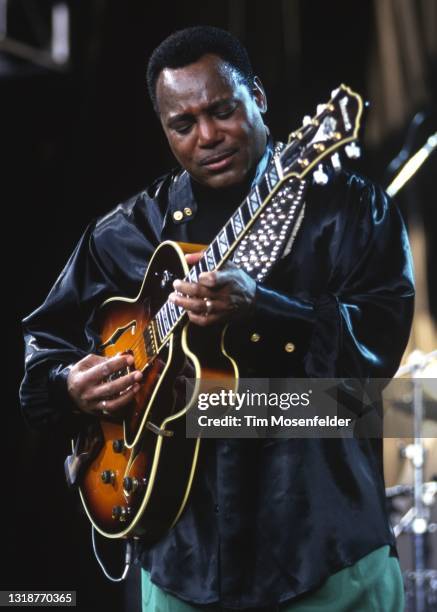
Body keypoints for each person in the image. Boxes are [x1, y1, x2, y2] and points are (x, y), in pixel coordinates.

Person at [20, 26, 414, 611]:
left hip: (324, 554)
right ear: (164, 129)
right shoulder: (127, 233)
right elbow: (42, 350)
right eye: (184, 124)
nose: (208, 136)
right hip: (182, 559)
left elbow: (370, 381)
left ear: (258, 96)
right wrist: (69, 384)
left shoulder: (350, 208)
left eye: (223, 110)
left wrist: (266, 310)